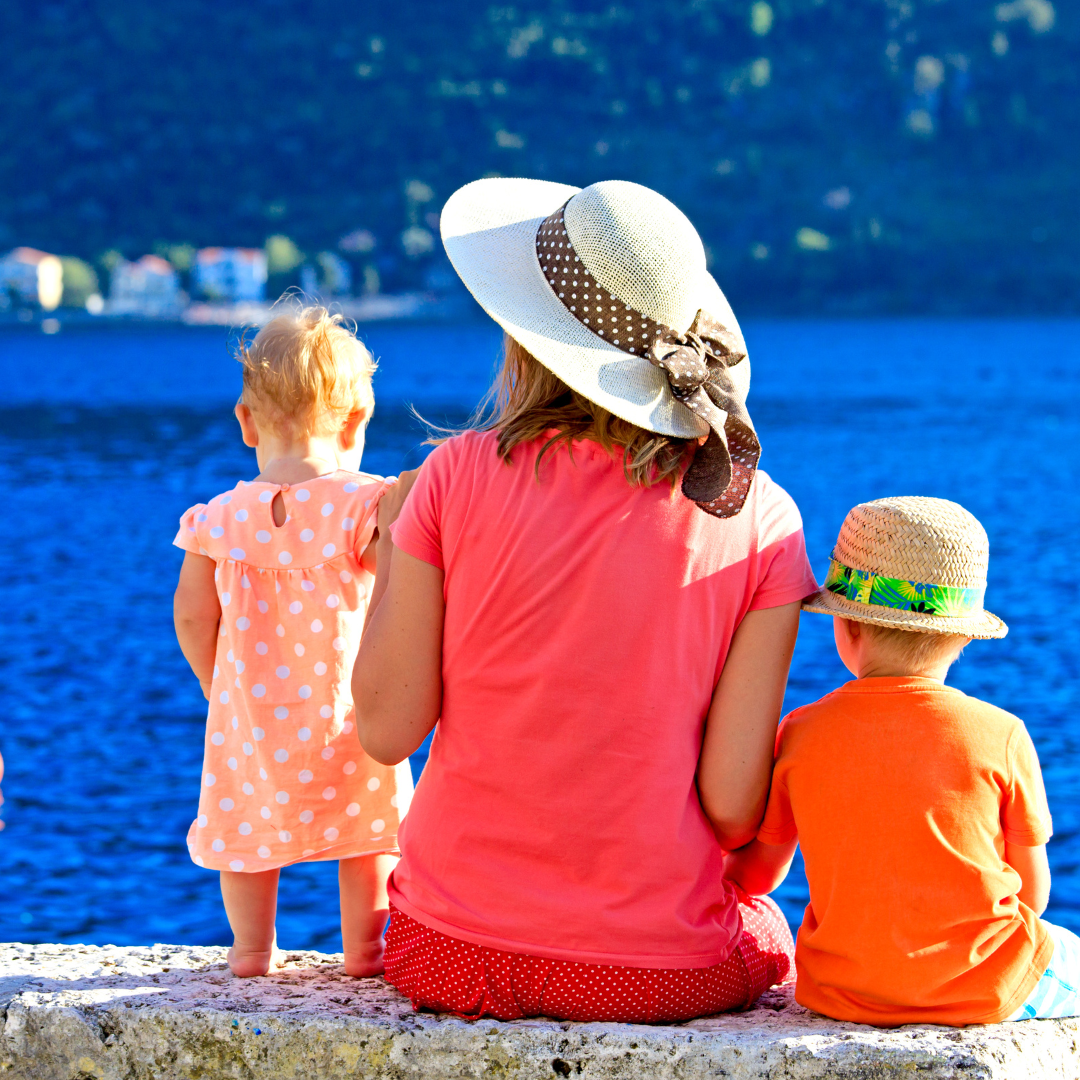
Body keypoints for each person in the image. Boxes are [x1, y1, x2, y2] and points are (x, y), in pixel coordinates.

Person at [353, 178, 819, 1023]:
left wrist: (394, 541)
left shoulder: (451, 478)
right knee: (767, 929)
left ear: (528, 334)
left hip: (447, 953)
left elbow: (386, 732)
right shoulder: (762, 518)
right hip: (663, 973)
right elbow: (729, 803)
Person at [726, 496, 1079, 1025]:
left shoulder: (802, 731)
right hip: (982, 988)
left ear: (848, 627)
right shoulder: (1003, 734)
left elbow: (759, 876)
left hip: (841, 992)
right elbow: (1034, 894)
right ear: (964, 635)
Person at [172, 305, 412, 978]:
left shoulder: (215, 520)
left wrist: (215, 685)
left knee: (245, 831)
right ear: (356, 421)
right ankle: (366, 950)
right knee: (368, 832)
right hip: (346, 711)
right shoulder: (365, 504)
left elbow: (191, 616)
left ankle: (251, 952)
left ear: (245, 421)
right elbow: (398, 593)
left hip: (247, 714)